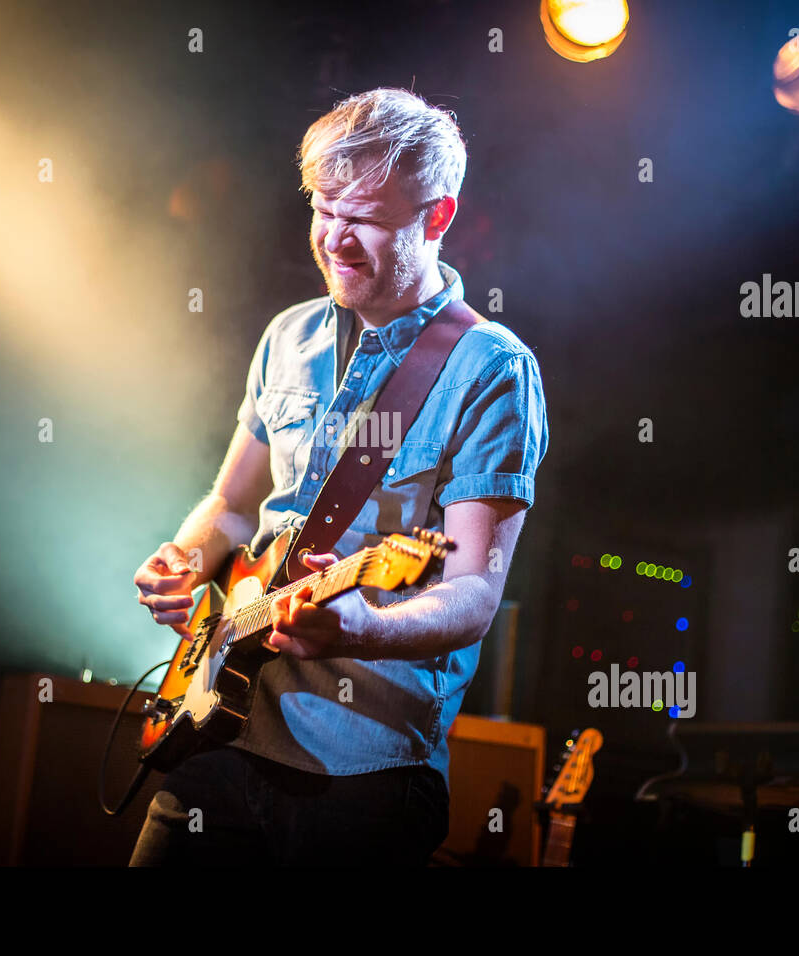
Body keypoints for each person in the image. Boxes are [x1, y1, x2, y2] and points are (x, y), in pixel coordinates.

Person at [130, 87, 548, 865]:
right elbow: (230, 505)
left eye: (367, 219)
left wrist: (363, 627)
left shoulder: (491, 369)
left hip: (362, 776)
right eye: (324, 208)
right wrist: (187, 560)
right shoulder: (288, 336)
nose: (335, 239)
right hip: (218, 729)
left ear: (438, 217)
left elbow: (473, 592)